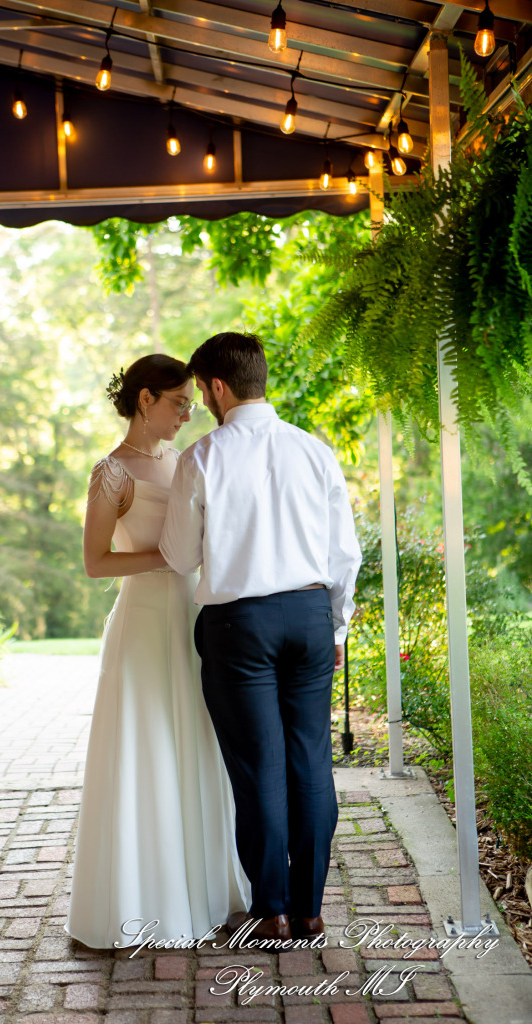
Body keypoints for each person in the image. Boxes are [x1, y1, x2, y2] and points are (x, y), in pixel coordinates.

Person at [159, 332, 361, 943]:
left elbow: (176, 556)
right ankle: (310, 910)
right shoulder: (315, 451)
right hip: (308, 618)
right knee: (310, 765)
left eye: (201, 389)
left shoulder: (202, 457)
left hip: (239, 627)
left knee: (259, 771)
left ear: (217, 387)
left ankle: (270, 910)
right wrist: (338, 625)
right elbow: (343, 554)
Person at [65, 353, 249, 949]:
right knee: (149, 748)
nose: (186, 415)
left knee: (197, 743)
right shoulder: (110, 474)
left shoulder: (183, 460)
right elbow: (96, 562)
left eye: (191, 406)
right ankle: (150, 900)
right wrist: (168, 558)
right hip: (144, 621)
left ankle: (207, 887)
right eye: (177, 404)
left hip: (192, 617)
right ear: (145, 400)